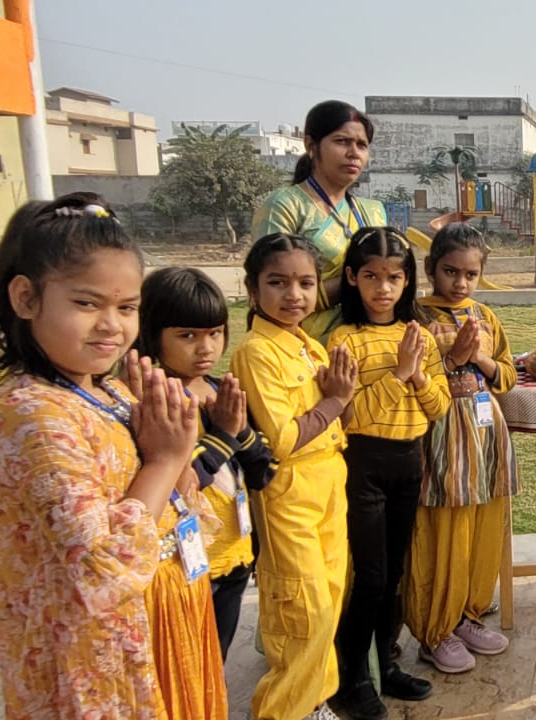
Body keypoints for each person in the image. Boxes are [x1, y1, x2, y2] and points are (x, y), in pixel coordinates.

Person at [0, 194, 200, 719]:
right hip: (79, 663)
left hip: (132, 636)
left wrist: (176, 456)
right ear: (26, 297)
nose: (111, 325)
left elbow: (175, 500)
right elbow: (99, 571)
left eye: (127, 308)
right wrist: (164, 462)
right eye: (86, 303)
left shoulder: (105, 391)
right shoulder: (33, 415)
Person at [232, 233, 358, 720]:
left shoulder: (311, 348)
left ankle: (314, 702)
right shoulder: (256, 352)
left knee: (329, 600)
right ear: (252, 289)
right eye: (278, 283)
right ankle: (281, 712)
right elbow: (282, 439)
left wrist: (340, 400)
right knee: (300, 610)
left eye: (306, 283)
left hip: (329, 481)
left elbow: (341, 421)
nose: (294, 295)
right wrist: (334, 401)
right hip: (289, 490)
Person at [325, 228, 450, 718]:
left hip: (408, 460)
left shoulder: (417, 336)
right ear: (351, 278)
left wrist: (416, 372)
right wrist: (399, 374)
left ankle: (387, 664)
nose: (383, 288)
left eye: (394, 277)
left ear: (407, 280)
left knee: (394, 572)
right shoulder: (345, 340)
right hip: (364, 464)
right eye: (372, 276)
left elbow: (439, 407)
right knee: (371, 576)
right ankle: (352, 677)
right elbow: (350, 417)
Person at [138, 267, 276, 661]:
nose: (205, 348)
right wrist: (223, 435)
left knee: (218, 660)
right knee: (188, 665)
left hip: (235, 552)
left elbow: (263, 469)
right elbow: (179, 484)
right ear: (152, 334)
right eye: (188, 336)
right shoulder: (155, 403)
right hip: (187, 566)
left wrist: (239, 430)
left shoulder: (220, 391)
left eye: (215, 334)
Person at [406, 222, 518, 674]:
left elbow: (507, 376)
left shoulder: (485, 316)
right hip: (441, 432)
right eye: (451, 272)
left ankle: (469, 612)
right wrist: (453, 359)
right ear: (431, 269)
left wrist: (480, 358)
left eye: (471, 274)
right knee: (446, 528)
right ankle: (437, 629)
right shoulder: (415, 315)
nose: (460, 283)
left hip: (485, 431)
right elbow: (413, 374)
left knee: (484, 523)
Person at [252, 100, 389, 341]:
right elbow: (270, 294)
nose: (354, 153)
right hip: (301, 349)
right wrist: (356, 282)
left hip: (369, 346)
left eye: (362, 145)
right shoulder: (286, 205)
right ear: (310, 145)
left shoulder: (373, 212)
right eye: (342, 141)